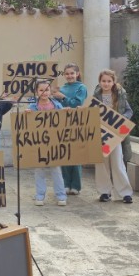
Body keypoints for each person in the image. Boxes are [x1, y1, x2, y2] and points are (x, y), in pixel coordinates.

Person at [93, 69, 133, 204]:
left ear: (113, 82)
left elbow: (129, 111)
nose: (106, 83)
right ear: (100, 82)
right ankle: (104, 192)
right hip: (100, 134)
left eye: (109, 81)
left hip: (115, 134)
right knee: (101, 164)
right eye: (103, 81)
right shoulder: (96, 96)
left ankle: (125, 193)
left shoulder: (120, 95)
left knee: (117, 162)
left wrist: (121, 119)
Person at [26, 80, 67, 206]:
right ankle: (39, 195)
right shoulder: (32, 107)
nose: (44, 93)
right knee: (39, 170)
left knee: (56, 169)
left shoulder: (57, 105)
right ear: (36, 92)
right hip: (39, 143)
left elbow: (64, 120)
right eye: (41, 90)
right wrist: (27, 115)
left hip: (54, 143)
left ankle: (61, 195)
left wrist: (66, 112)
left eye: (47, 90)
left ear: (51, 91)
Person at [52, 63, 88, 195]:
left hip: (76, 122)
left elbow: (77, 103)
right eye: (67, 74)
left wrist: (63, 98)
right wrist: (55, 95)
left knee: (76, 155)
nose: (69, 76)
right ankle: (66, 183)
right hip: (63, 123)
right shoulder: (62, 87)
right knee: (64, 153)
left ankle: (76, 185)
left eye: (72, 73)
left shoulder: (81, 87)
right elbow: (58, 104)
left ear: (77, 74)